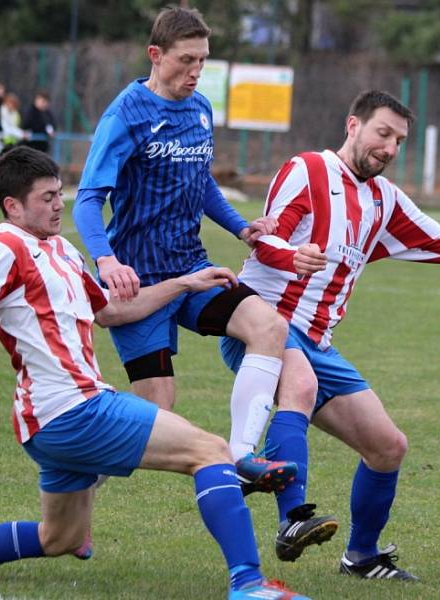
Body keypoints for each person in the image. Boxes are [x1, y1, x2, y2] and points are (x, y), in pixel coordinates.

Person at [0, 147, 310, 600]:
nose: (58, 204)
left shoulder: (62, 249)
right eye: (46, 197)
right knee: (211, 451)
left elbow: (110, 311)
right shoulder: (4, 249)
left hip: (52, 421)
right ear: (13, 205)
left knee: (61, 538)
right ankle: (248, 583)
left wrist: (185, 283)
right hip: (74, 408)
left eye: (58, 194)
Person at [220, 90, 440, 578]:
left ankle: (362, 557)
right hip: (261, 324)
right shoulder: (307, 169)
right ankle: (292, 520)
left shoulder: (382, 200)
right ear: (353, 126)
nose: (390, 148)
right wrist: (290, 255)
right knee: (300, 384)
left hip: (317, 344)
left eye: (399, 141)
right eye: (382, 133)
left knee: (388, 446)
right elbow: (266, 237)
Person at [74, 6, 294, 492]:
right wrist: (106, 260)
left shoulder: (200, 109)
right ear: (156, 55)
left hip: (193, 269)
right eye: (186, 60)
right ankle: (72, 489)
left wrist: (241, 228)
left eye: (203, 61)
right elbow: (88, 200)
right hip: (139, 282)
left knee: (268, 327)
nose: (196, 71)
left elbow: (201, 181)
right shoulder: (125, 115)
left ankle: (242, 457)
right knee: (152, 418)